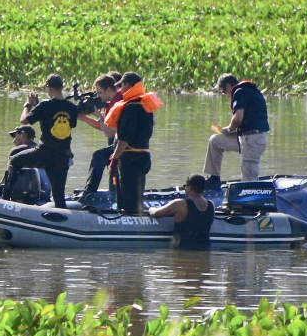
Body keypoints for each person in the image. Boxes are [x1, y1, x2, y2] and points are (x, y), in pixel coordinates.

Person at [2, 74, 78, 209]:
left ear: (48, 88)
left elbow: (24, 121)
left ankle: (5, 200)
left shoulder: (45, 105)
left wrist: (28, 105)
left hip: (44, 153)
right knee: (59, 197)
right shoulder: (72, 108)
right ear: (61, 87)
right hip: (62, 156)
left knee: (14, 161)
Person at [106, 72, 162, 215]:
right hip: (144, 157)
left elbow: (124, 139)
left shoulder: (130, 107)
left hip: (130, 160)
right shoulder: (145, 105)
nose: (120, 90)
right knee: (136, 198)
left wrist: (115, 158)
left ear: (128, 85)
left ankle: (130, 227)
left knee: (128, 202)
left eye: (122, 86)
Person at [204, 73, 270, 186]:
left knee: (248, 179)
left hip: (253, 140)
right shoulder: (249, 91)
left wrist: (229, 129)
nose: (226, 95)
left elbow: (238, 118)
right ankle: (214, 178)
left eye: (224, 91)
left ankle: (251, 194)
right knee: (215, 141)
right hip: (246, 137)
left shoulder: (240, 92)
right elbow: (249, 118)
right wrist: (236, 132)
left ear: (229, 85)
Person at [78, 74, 122, 196]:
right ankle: (113, 193)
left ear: (109, 90)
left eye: (99, 93)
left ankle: (89, 192)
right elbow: (105, 127)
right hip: (117, 144)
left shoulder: (118, 102)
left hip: (125, 146)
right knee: (106, 161)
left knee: (98, 156)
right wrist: (85, 118)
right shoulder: (110, 101)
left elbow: (108, 132)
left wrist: (98, 116)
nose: (98, 96)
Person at [149, 174, 215, 250]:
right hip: (205, 249)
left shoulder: (180, 204)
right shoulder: (211, 205)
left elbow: (156, 213)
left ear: (190, 188)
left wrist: (151, 208)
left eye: (185, 186)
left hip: (183, 250)